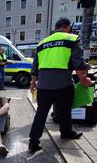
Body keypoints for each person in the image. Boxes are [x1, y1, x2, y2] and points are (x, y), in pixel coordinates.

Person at [29, 18, 92, 154]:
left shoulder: (42, 43)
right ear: (67, 27)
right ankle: (66, 132)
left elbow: (35, 67)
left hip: (44, 86)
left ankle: (33, 142)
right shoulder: (72, 39)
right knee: (65, 111)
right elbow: (78, 63)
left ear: (56, 27)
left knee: (41, 114)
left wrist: (33, 83)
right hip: (63, 85)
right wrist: (84, 79)